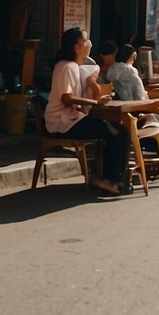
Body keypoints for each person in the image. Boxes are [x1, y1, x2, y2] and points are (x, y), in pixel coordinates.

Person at [44, 27, 130, 196]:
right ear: (77, 47)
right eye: (86, 41)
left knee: (115, 128)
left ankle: (103, 176)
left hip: (72, 118)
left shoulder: (75, 67)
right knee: (118, 131)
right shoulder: (67, 67)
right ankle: (110, 180)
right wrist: (94, 102)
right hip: (63, 123)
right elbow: (66, 98)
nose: (89, 44)